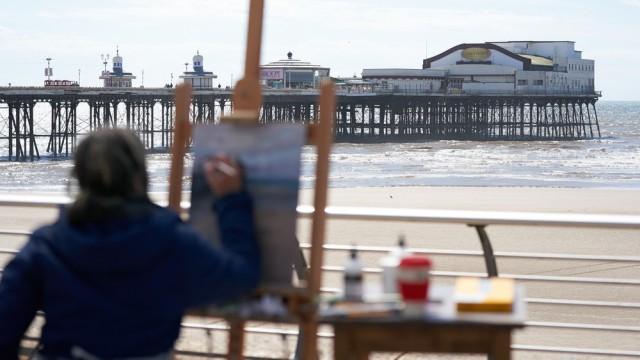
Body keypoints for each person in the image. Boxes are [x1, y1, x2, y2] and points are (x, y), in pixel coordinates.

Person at [0, 129, 260, 360]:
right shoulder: (172, 239)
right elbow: (240, 276)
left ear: (79, 175)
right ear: (140, 175)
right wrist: (231, 199)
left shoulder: (47, 246)